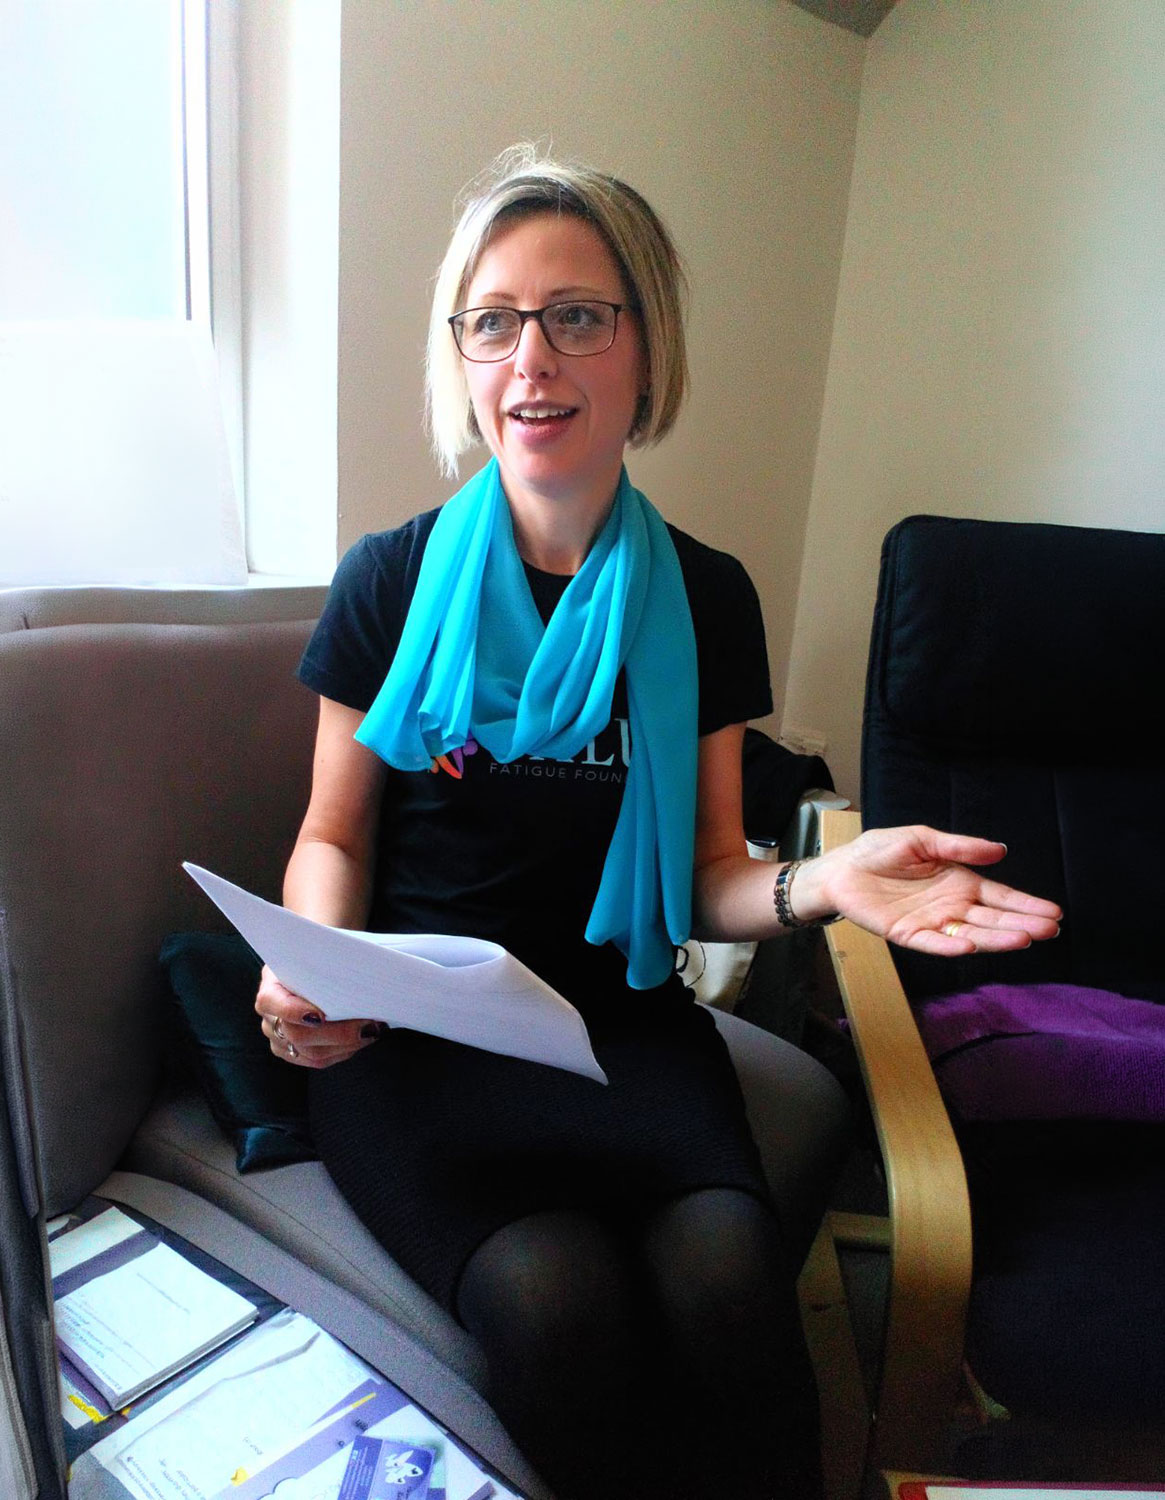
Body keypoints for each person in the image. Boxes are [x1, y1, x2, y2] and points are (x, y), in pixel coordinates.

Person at [255, 146, 1062, 1500]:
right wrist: (314, 966)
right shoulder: (386, 580)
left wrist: (824, 883)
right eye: (494, 320)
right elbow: (331, 835)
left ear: (644, 350)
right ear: (461, 355)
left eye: (578, 315)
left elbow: (702, 881)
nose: (533, 360)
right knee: (552, 1298)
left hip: (610, 1021)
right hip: (418, 1035)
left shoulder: (703, 596)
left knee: (727, 1281)